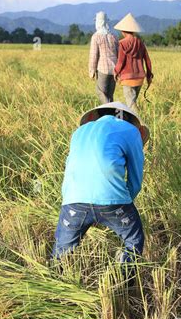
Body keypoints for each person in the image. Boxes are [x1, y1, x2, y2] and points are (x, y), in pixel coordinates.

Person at [51, 102, 150, 268]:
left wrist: (85, 207)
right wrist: (118, 206)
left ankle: (53, 279)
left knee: (61, 250)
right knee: (133, 239)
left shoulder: (79, 132)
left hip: (73, 201)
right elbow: (135, 181)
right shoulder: (130, 131)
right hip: (114, 201)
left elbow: (69, 171)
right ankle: (124, 278)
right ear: (129, 119)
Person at [113, 13, 153, 110]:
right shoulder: (140, 43)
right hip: (139, 78)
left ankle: (139, 121)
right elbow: (147, 60)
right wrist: (149, 75)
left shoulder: (122, 44)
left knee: (131, 105)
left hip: (127, 78)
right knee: (133, 102)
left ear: (123, 31)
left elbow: (121, 61)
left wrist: (115, 71)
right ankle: (136, 121)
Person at [88, 12, 119, 104]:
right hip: (114, 69)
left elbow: (94, 55)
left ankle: (108, 109)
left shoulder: (96, 36)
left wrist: (92, 70)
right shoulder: (114, 36)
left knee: (100, 92)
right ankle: (111, 113)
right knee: (110, 95)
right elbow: (118, 53)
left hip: (103, 69)